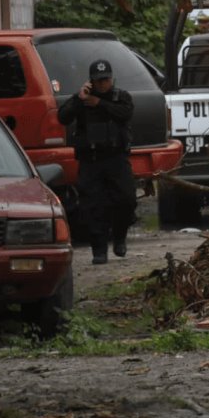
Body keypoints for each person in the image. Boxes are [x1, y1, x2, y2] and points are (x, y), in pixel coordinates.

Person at [57, 59, 135, 265]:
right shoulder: (83, 100)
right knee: (93, 206)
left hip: (116, 159)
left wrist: (100, 103)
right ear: (91, 81)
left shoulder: (121, 97)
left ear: (112, 78)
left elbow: (125, 113)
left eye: (106, 80)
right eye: (98, 81)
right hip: (91, 161)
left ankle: (119, 237)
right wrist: (78, 98)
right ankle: (99, 250)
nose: (103, 84)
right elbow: (62, 117)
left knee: (126, 200)